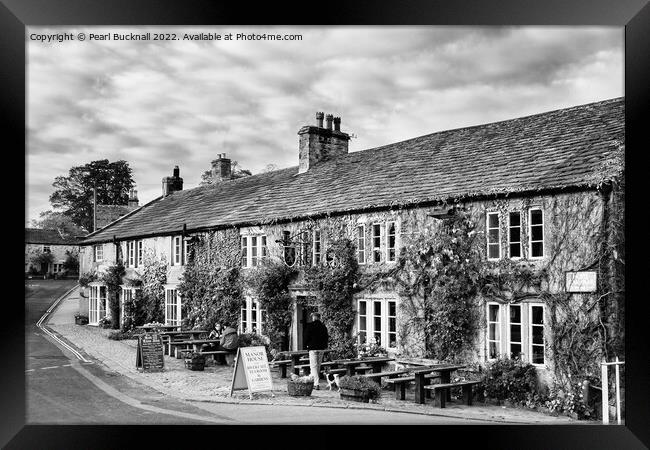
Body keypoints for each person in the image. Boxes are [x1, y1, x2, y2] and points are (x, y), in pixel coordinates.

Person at [304, 312, 328, 389]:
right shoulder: (323, 326)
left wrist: (306, 345)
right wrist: (324, 346)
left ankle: (316, 383)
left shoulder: (310, 326)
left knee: (313, 366)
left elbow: (306, 337)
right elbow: (326, 338)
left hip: (313, 348)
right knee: (318, 366)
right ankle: (314, 381)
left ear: (313, 317)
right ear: (319, 317)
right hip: (321, 348)